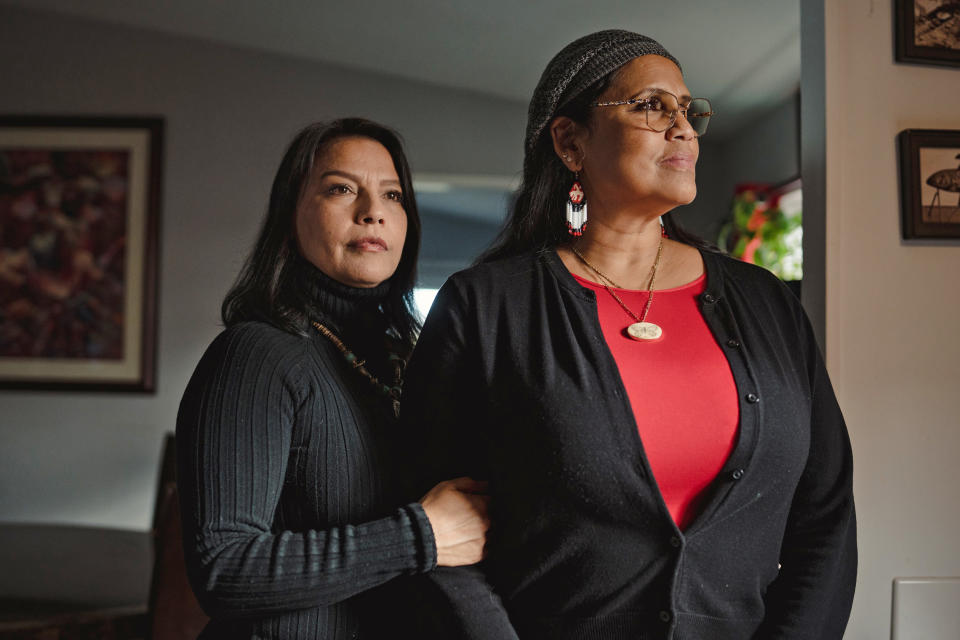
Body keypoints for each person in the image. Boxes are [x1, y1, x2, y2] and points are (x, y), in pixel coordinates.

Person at [402, 31, 857, 639]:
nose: (684, 129)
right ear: (570, 142)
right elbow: (437, 527)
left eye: (688, 109)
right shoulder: (486, 307)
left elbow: (825, 516)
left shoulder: (767, 303)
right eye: (651, 106)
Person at [176, 118, 490, 639]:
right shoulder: (256, 353)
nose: (373, 212)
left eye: (392, 195)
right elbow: (223, 570)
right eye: (341, 189)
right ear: (290, 214)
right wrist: (421, 536)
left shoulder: (405, 359)